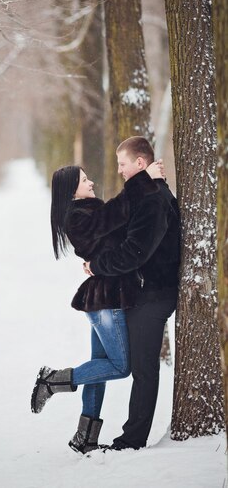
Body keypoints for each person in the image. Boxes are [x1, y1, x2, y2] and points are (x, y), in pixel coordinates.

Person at [30, 159, 163, 454]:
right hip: (107, 299)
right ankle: (53, 380)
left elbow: (118, 222)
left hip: (105, 295)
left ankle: (85, 437)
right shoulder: (77, 216)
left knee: (99, 368)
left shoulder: (85, 211)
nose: (91, 183)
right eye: (84, 180)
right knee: (120, 366)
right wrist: (144, 178)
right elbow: (115, 214)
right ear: (72, 191)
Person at [84, 136, 180, 451]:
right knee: (128, 363)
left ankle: (133, 439)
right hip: (144, 291)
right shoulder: (149, 195)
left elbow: (135, 251)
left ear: (140, 163)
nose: (119, 170)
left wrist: (99, 265)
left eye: (123, 164)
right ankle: (89, 432)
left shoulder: (155, 199)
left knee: (142, 368)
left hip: (153, 294)